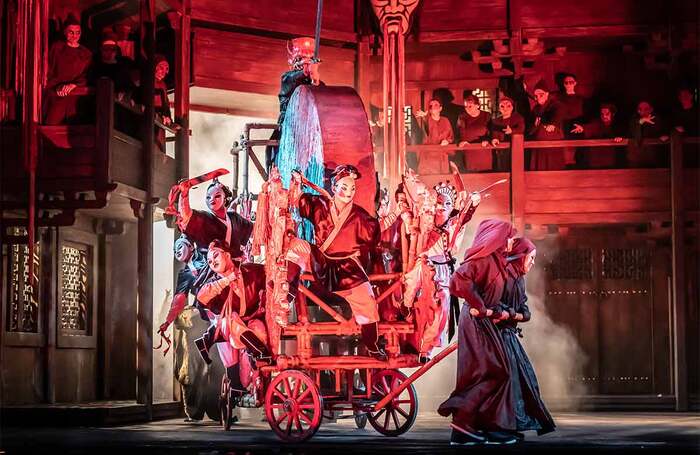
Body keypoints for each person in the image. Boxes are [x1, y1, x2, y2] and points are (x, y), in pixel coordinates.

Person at [286, 165, 386, 359]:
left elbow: (374, 237)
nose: (348, 193)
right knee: (294, 246)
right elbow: (297, 201)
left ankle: (372, 345)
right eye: (343, 187)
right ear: (334, 187)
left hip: (347, 267)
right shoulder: (319, 205)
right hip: (320, 259)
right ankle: (288, 292)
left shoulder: (360, 216)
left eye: (352, 189)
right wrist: (296, 183)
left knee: (367, 300)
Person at [438, 219, 518, 446]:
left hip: (483, 322)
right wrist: (479, 305)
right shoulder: (482, 260)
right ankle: (462, 423)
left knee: (493, 372)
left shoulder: (497, 260)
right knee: (494, 372)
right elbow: (457, 281)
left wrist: (497, 310)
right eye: (508, 236)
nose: (511, 241)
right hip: (475, 322)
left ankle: (483, 425)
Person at [496, 237, 555, 439]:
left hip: (509, 336)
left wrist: (512, 314)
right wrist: (511, 314)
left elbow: (525, 312)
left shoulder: (519, 280)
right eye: (530, 258)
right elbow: (497, 308)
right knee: (508, 380)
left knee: (524, 379)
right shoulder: (502, 277)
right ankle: (503, 425)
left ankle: (515, 424)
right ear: (520, 257)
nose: (532, 263)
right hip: (497, 337)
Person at [196, 240, 270, 396]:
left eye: (216, 256)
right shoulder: (214, 284)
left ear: (227, 255)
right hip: (229, 330)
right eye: (209, 261)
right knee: (231, 318)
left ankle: (261, 379)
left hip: (250, 322)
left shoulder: (251, 271)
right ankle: (258, 352)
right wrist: (227, 280)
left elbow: (271, 274)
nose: (212, 262)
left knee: (260, 329)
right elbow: (202, 297)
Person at [418, 182, 480, 361]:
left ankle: (427, 348)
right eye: (438, 203)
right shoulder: (425, 219)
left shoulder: (453, 225)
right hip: (422, 266)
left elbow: (464, 217)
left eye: (446, 204)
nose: (441, 208)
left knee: (443, 307)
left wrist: (473, 203)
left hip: (443, 271)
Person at [266, 37, 321, 170]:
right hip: (288, 130)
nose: (305, 63)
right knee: (273, 153)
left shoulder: (319, 85)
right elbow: (294, 78)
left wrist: (315, 79)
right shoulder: (287, 79)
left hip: (311, 135)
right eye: (301, 59)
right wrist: (307, 71)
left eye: (309, 59)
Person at [178, 178, 254, 260]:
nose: (211, 199)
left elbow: (255, 232)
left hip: (235, 267)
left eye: (217, 196)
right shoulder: (204, 218)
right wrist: (184, 194)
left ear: (225, 199)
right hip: (211, 267)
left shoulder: (234, 218)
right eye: (208, 197)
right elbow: (185, 216)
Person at [44, 15, 93, 125]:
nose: (75, 36)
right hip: (57, 93)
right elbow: (49, 70)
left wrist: (74, 85)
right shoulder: (56, 48)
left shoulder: (86, 53)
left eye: (78, 32)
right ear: (65, 32)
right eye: (71, 32)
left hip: (76, 95)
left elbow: (87, 74)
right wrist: (56, 86)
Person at [157, 234, 208, 339]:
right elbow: (178, 301)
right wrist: (167, 322)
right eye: (175, 251)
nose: (177, 252)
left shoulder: (205, 252)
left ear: (191, 247)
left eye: (179, 247)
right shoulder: (185, 275)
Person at [528, 80, 565, 170]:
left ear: (547, 94)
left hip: (552, 139)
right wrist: (535, 125)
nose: (538, 98)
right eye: (536, 96)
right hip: (538, 140)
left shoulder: (556, 105)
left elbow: (558, 115)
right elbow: (532, 124)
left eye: (541, 94)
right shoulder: (536, 109)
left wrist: (552, 124)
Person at [574, 103, 624, 169]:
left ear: (613, 114)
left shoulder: (617, 124)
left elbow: (622, 134)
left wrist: (620, 137)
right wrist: (583, 128)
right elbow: (592, 127)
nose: (604, 116)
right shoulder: (597, 123)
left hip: (610, 160)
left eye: (607, 114)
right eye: (602, 114)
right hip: (596, 160)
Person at [415, 98, 455, 173]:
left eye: (436, 105)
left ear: (440, 108)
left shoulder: (445, 120)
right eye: (431, 105)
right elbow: (428, 127)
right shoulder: (427, 120)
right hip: (429, 155)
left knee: (443, 180)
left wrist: (447, 141)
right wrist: (424, 117)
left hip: (442, 154)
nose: (433, 107)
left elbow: (451, 136)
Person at [555, 73, 586, 168]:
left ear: (575, 83)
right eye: (566, 82)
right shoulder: (559, 98)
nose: (568, 84)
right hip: (564, 127)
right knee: (565, 155)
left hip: (578, 127)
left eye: (571, 82)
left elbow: (585, 115)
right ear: (563, 84)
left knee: (579, 154)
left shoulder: (581, 99)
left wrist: (583, 127)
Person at [627, 100, 669, 168]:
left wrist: (662, 136)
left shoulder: (656, 119)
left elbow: (661, 133)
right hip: (636, 159)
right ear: (638, 111)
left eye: (646, 109)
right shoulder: (634, 120)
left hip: (653, 158)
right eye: (640, 109)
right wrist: (641, 121)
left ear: (651, 109)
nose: (643, 111)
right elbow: (637, 138)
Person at [457, 94, 492, 171]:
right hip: (469, 150)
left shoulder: (486, 115)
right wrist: (461, 141)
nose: (467, 109)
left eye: (470, 106)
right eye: (466, 107)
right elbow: (459, 133)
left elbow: (491, 132)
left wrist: (487, 139)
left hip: (483, 150)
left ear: (477, 105)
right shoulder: (462, 117)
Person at [490, 96, 525, 171]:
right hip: (501, 150)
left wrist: (512, 131)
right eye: (502, 106)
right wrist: (494, 139)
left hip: (515, 149)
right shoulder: (496, 120)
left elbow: (521, 129)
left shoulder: (518, 118)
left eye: (508, 106)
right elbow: (494, 132)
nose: (505, 109)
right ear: (499, 108)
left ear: (512, 107)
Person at [672, 87, 699, 167]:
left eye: (686, 95)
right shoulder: (676, 112)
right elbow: (673, 126)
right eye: (682, 96)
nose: (684, 97)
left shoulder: (697, 111)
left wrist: (686, 130)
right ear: (679, 98)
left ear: (691, 96)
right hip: (682, 147)